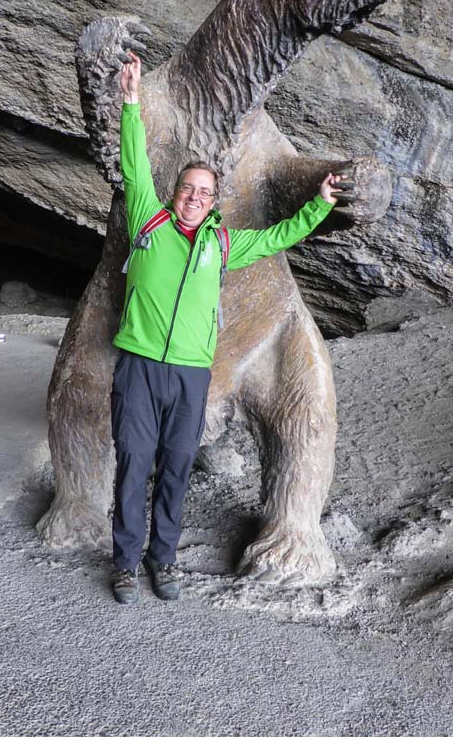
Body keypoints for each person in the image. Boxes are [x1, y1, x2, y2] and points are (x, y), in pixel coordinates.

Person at [110, 53, 346, 605]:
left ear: (215, 202)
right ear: (175, 192)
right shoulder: (147, 219)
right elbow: (133, 163)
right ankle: (124, 564)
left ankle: (161, 561)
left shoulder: (221, 245)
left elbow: (278, 237)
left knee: (175, 471)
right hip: (139, 366)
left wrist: (319, 205)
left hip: (192, 372)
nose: (194, 196)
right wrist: (129, 103)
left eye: (204, 192)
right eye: (188, 188)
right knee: (132, 466)